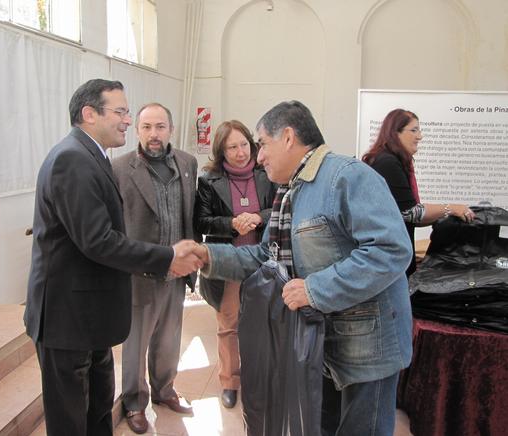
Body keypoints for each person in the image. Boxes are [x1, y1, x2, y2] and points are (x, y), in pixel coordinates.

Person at [194, 101, 414, 435]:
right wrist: (206, 256)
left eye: (262, 144)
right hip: (319, 343)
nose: (259, 156)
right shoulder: (290, 191)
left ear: (287, 137)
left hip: (367, 348)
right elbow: (265, 257)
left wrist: (314, 289)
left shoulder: (347, 177)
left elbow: (391, 250)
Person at [24, 80, 202, 436]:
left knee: (98, 409)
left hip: (89, 314)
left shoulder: (91, 155)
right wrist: (167, 256)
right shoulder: (72, 160)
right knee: (70, 420)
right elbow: (99, 241)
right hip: (67, 317)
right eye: (120, 112)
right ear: (89, 114)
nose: (127, 120)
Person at [112, 103, 198, 434]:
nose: (153, 134)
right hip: (139, 271)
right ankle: (134, 401)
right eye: (146, 127)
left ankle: (164, 390)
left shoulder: (188, 164)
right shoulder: (120, 168)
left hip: (177, 271)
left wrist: (191, 260)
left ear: (171, 130)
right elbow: (115, 224)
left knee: (169, 337)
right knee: (136, 340)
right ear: (137, 131)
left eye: (160, 127)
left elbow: (190, 215)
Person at [194, 120, 277, 409]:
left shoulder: (267, 172)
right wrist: (232, 224)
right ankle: (230, 381)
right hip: (229, 265)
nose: (240, 152)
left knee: (262, 324)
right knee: (228, 325)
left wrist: (257, 217)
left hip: (263, 262)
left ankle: (260, 379)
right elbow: (202, 221)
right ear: (221, 150)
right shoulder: (209, 180)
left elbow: (280, 206)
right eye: (232, 147)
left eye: (244, 144)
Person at [362, 109, 475, 276]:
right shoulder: (387, 163)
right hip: (388, 262)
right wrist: (450, 208)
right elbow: (411, 213)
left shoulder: (389, 160)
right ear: (395, 133)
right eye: (413, 130)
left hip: (390, 259)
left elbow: (410, 217)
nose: (419, 136)